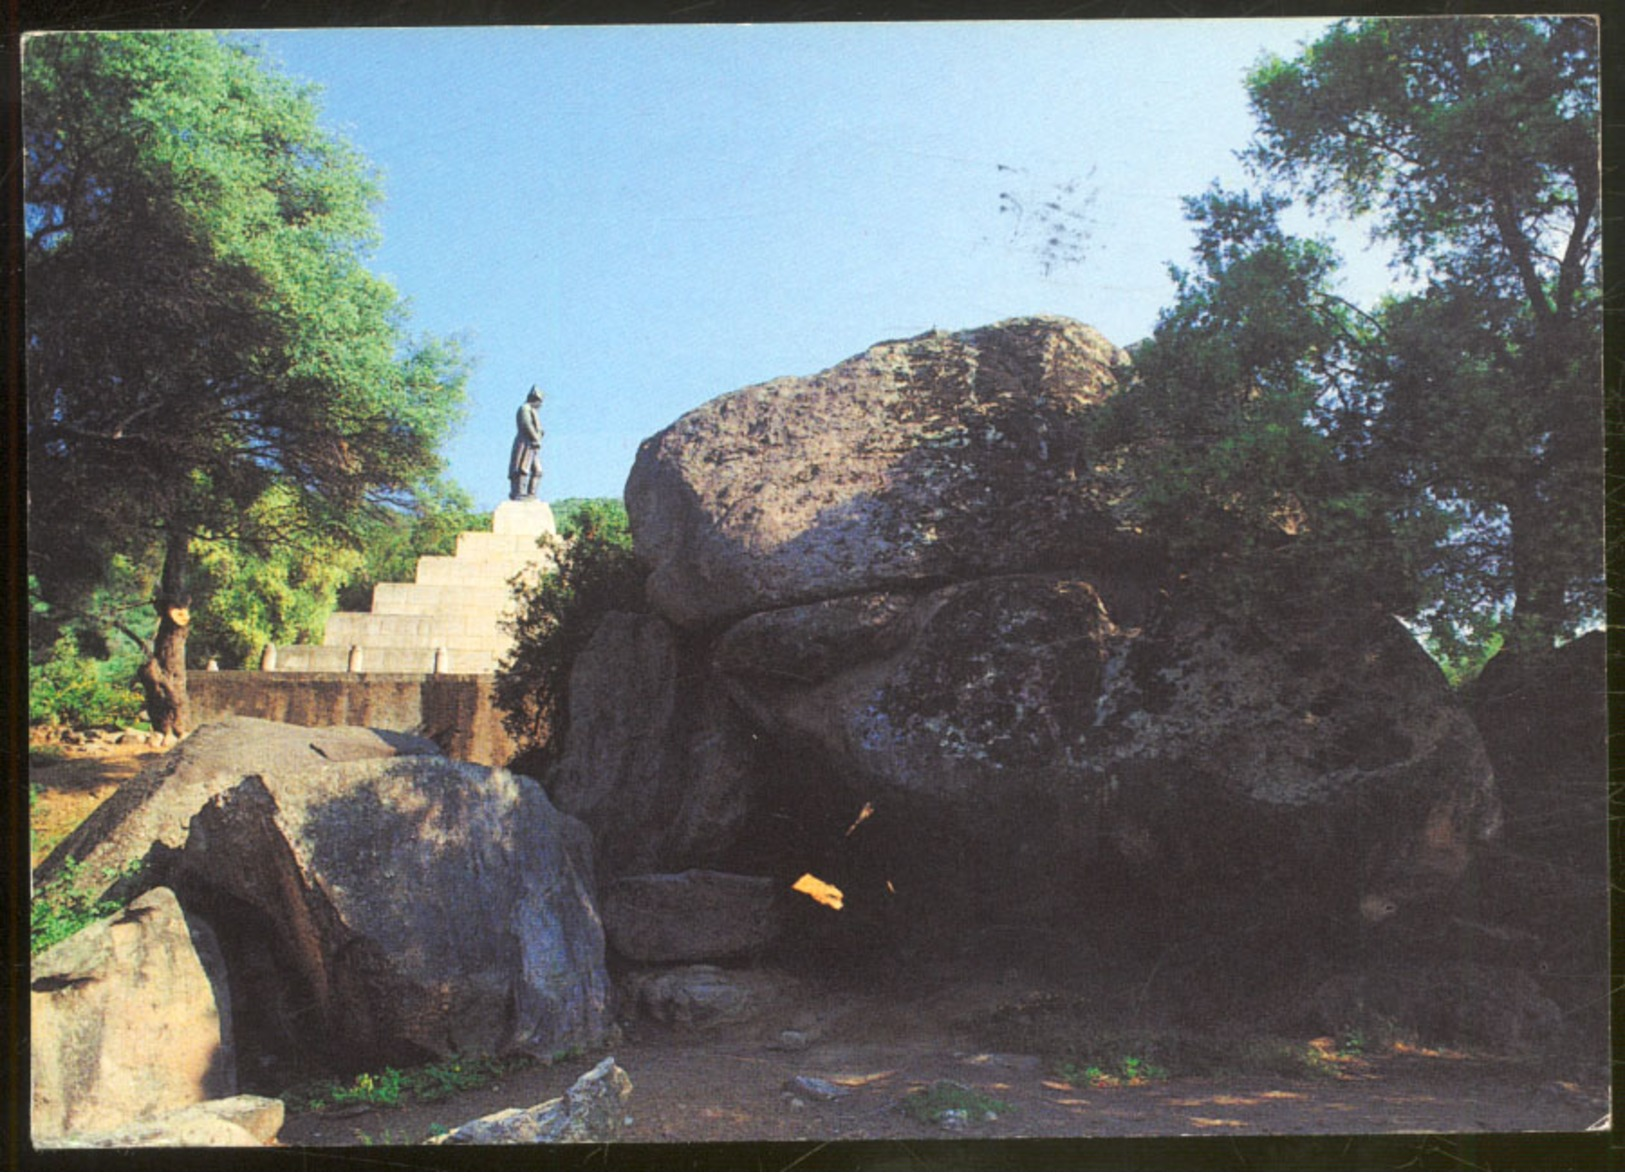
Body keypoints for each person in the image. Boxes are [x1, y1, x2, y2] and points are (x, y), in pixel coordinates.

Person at [509, 385, 544, 500]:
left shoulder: (533, 411)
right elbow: (526, 424)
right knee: (522, 468)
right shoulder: (525, 408)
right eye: (539, 402)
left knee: (538, 471)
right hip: (525, 442)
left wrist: (540, 434)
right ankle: (519, 492)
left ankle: (531, 494)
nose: (540, 405)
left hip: (533, 445)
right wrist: (535, 437)